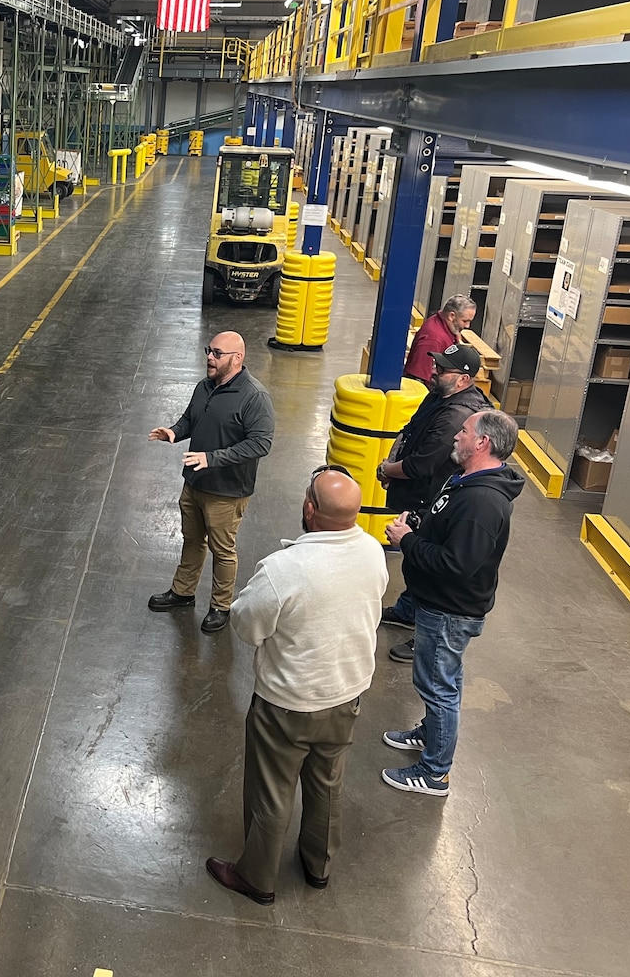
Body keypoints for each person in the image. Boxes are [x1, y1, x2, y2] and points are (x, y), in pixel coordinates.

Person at [206, 465, 386, 906]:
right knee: (327, 782)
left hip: (287, 703)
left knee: (272, 791)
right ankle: (317, 866)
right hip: (346, 694)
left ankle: (257, 878)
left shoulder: (283, 569)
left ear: (309, 508)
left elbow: (246, 626)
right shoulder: (371, 551)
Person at [381, 410, 523, 797]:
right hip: (440, 606)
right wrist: (421, 523)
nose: (455, 438)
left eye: (463, 432)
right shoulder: (466, 480)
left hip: (449, 611)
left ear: (483, 443)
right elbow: (447, 527)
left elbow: (458, 565)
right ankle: (430, 735)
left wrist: (407, 541)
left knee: (438, 687)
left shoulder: (483, 502)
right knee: (443, 682)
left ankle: (434, 773)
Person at [148, 331, 275, 635]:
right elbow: (190, 420)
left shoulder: (254, 396)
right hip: (194, 483)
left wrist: (213, 458)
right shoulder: (204, 387)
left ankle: (220, 605)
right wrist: (175, 433)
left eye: (218, 353)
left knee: (223, 550)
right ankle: (183, 591)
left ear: (237, 358)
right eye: (210, 350)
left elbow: (261, 443)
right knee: (192, 540)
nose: (210, 357)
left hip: (226, 491)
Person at [377, 342, 490, 664]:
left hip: (431, 499)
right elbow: (410, 431)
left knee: (426, 566)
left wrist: (388, 470)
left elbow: (422, 465)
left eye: (443, 368)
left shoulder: (457, 414)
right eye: (437, 364)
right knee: (413, 562)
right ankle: (407, 610)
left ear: (463, 380)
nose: (435, 371)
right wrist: (390, 464)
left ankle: (424, 633)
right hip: (416, 492)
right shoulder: (439, 396)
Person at [404, 295, 476, 387]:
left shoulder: (445, 325)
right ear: (451, 316)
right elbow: (418, 379)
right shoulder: (434, 339)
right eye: (465, 321)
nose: (467, 326)